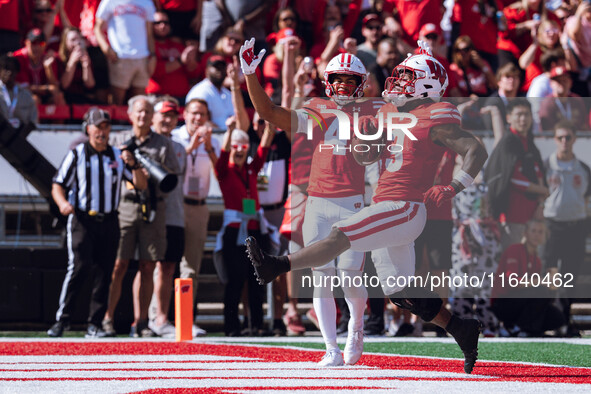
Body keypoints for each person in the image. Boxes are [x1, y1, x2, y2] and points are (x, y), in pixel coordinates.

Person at [241, 38, 488, 374]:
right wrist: (365, 148)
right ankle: (460, 327)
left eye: (406, 78)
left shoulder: (435, 115)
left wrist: (454, 186)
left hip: (404, 205)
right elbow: (367, 151)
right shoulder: (389, 112)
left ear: (426, 86)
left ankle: (276, 265)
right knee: (399, 292)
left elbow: (475, 150)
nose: (397, 82)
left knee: (340, 236)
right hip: (384, 203)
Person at [47, 107, 147, 338]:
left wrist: (133, 164)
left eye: (106, 127)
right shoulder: (77, 154)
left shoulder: (116, 156)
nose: (102, 131)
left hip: (110, 220)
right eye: (98, 127)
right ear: (88, 128)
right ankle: (62, 320)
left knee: (105, 271)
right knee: (79, 267)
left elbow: (140, 184)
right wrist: (62, 204)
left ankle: (95, 323)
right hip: (83, 218)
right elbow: (57, 184)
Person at [103, 95, 180, 337]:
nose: (143, 115)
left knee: (148, 265)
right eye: (139, 111)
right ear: (130, 114)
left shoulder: (163, 144)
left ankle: (143, 321)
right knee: (119, 264)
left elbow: (172, 176)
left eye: (147, 111)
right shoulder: (119, 141)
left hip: (154, 206)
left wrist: (149, 171)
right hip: (126, 205)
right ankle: (107, 318)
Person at [214, 120, 275, 337]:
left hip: (255, 230)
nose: (239, 150)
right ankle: (231, 326)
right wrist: (229, 131)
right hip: (234, 231)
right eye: (235, 145)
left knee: (256, 279)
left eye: (243, 145)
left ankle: (256, 325)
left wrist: (270, 126)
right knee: (235, 279)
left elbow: (264, 149)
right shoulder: (224, 170)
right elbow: (222, 155)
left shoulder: (251, 169)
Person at [171, 98, 220, 337]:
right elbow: (173, 167)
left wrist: (208, 147)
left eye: (202, 114)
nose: (197, 118)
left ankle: (186, 320)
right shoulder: (174, 138)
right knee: (165, 264)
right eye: (194, 113)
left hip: (199, 206)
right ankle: (157, 319)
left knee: (191, 266)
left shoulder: (213, 141)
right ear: (185, 114)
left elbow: (222, 173)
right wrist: (190, 147)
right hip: (175, 205)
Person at [543, 121, 591, 337]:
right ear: (555, 139)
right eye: (560, 137)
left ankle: (565, 320)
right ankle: (548, 319)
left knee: (570, 275)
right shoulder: (546, 165)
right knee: (550, 274)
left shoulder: (583, 168)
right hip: (551, 226)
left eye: (568, 137)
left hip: (576, 226)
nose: (564, 141)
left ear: (574, 139)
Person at [484, 98, 548, 251]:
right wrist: (541, 190)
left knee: (530, 265)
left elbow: (539, 173)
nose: (523, 119)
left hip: (533, 217)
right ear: (508, 118)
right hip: (511, 216)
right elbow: (511, 178)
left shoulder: (530, 144)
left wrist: (541, 202)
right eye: (518, 114)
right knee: (512, 264)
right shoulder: (508, 143)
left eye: (526, 115)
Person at [148, 97, 186, 337]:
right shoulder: (147, 144)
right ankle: (150, 318)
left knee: (169, 266)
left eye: (172, 115)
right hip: (152, 213)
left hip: (174, 212)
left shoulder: (180, 147)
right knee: (150, 266)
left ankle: (162, 317)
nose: (167, 119)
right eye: (163, 114)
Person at [491, 219, 565, 337]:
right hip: (502, 302)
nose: (537, 235)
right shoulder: (514, 250)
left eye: (540, 232)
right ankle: (517, 328)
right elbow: (513, 282)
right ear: (525, 233)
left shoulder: (537, 260)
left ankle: (529, 330)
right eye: (533, 231)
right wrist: (542, 281)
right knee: (541, 290)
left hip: (521, 302)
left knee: (557, 317)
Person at [94, 0, 156, 105]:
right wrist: (106, 49)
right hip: (120, 56)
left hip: (142, 57)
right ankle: (117, 122)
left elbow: (149, 32)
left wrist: (153, 55)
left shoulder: (147, 2)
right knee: (117, 101)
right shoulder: (109, 1)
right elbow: (97, 28)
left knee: (139, 102)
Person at [146, 11, 199, 104]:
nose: (163, 26)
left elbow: (193, 74)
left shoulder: (178, 46)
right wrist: (180, 61)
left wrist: (191, 61)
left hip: (182, 97)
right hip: (157, 97)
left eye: (166, 23)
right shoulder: (149, 46)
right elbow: (155, 71)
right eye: (157, 23)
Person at [13, 28, 65, 105]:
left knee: (58, 97)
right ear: (27, 43)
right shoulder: (19, 58)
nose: (37, 47)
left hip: (43, 95)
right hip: (20, 95)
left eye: (41, 43)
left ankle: (62, 117)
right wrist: (47, 88)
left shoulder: (47, 57)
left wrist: (48, 68)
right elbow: (23, 87)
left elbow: (55, 88)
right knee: (35, 100)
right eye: (33, 43)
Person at [185, 55, 234, 130]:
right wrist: (223, 133)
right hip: (209, 137)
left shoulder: (227, 93)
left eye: (222, 68)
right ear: (207, 70)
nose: (219, 71)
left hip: (229, 136)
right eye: (216, 67)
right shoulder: (200, 91)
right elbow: (199, 122)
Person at [538, 66, 588, 131]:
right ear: (551, 83)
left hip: (578, 138)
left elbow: (584, 125)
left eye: (564, 80)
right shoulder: (547, 103)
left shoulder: (577, 100)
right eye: (558, 81)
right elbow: (547, 129)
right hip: (555, 139)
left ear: (570, 82)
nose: (561, 84)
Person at [56, 27, 96, 104]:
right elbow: (64, 86)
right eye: (73, 40)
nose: (77, 43)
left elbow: (90, 85)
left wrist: (86, 65)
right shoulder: (58, 59)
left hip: (82, 98)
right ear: (65, 42)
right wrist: (72, 63)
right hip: (65, 98)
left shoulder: (87, 55)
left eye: (79, 39)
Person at [0, 55, 38, 130]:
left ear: (17, 72)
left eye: (12, 69)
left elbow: (33, 122)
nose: (9, 72)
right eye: (6, 69)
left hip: (20, 137)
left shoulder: (26, 95)